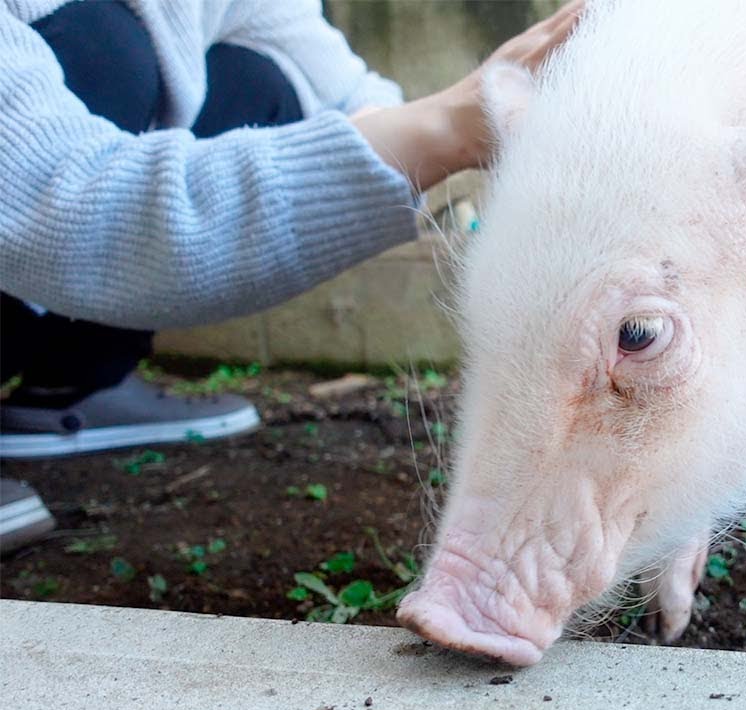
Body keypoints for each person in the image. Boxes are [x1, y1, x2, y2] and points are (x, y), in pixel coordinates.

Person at [0, 0, 583, 552]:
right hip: (50, 207)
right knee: (102, 49)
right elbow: (57, 202)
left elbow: (349, 94)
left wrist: (457, 131)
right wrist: (449, 129)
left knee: (261, 86)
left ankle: (72, 384)